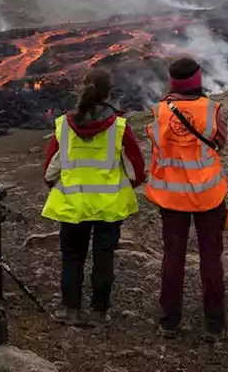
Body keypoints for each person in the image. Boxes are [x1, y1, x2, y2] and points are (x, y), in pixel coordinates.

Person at [41, 68, 146, 326]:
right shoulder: (119, 127)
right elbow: (136, 170)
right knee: (104, 257)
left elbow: (51, 167)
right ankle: (100, 312)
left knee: (72, 257)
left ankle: (71, 310)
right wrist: (125, 184)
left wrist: (54, 182)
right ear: (109, 91)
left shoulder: (64, 125)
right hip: (109, 206)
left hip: (73, 203)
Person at [144, 57, 228, 342]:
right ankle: (215, 324)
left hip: (171, 196)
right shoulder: (211, 110)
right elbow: (220, 142)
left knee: (173, 257)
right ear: (198, 80)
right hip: (208, 195)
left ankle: (169, 321)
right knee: (211, 258)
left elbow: (157, 144)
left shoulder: (159, 112)